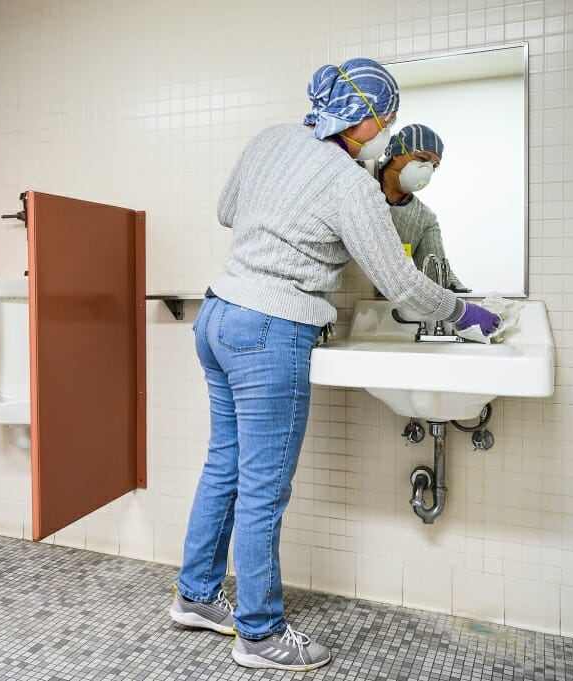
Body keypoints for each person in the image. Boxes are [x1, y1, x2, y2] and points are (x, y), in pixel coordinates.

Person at [168, 58, 500, 672]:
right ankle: (260, 634)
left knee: (225, 465)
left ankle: (196, 596)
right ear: (367, 119)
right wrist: (464, 315)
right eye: (386, 119)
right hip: (271, 328)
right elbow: (400, 283)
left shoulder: (270, 139)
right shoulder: (350, 185)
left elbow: (226, 210)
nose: (387, 130)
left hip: (217, 317)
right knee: (264, 489)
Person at [377, 124, 470, 292]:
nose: (427, 170)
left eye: (434, 166)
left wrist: (448, 281)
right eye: (422, 159)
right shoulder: (361, 189)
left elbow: (434, 273)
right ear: (396, 153)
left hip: (384, 303)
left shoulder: (423, 218)